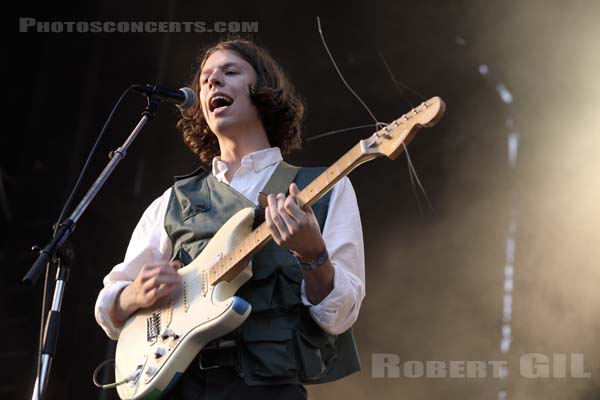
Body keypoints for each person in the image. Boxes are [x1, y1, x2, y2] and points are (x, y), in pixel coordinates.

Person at [95, 38, 365, 400]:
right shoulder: (172, 202)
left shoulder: (325, 189)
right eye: (205, 78)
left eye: (230, 71)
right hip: (180, 385)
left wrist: (312, 254)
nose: (212, 82)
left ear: (264, 91)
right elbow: (109, 307)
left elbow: (338, 317)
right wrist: (132, 296)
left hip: (268, 388)